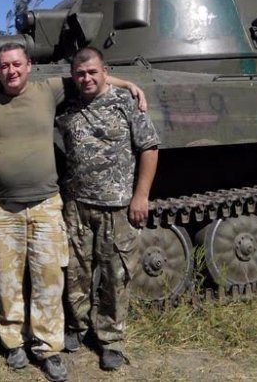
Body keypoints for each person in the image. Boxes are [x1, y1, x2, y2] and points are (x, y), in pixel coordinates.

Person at [0, 42, 145, 382]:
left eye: (17, 64)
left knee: (49, 279)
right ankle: (13, 342)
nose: (11, 70)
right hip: (3, 208)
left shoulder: (48, 90)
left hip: (46, 204)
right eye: (4, 66)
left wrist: (128, 83)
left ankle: (48, 348)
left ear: (29, 65)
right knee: (7, 281)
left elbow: (90, 77)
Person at [58, 46, 159, 371]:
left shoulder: (125, 102)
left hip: (117, 206)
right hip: (77, 204)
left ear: (105, 72)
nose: (86, 78)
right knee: (76, 272)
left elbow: (149, 147)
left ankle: (111, 340)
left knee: (115, 277)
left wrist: (141, 195)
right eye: (80, 74)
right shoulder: (68, 103)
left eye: (93, 72)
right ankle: (77, 326)